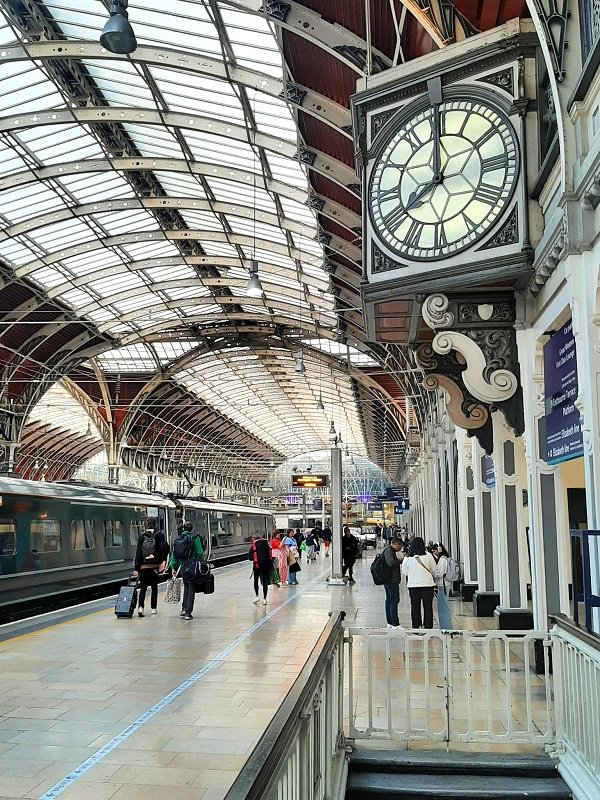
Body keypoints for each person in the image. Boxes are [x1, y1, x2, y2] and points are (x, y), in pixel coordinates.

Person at [133, 517, 169, 617]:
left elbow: (138, 553)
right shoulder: (159, 534)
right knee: (154, 587)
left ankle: (141, 607)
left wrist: (137, 568)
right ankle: (153, 608)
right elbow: (163, 548)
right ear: (155, 524)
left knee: (143, 588)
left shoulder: (141, 536)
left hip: (143, 567)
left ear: (147, 524)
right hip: (154, 566)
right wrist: (162, 561)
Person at [169, 521, 203, 620]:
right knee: (191, 588)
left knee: (186, 587)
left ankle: (183, 609)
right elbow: (200, 552)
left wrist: (173, 567)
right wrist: (201, 563)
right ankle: (188, 612)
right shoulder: (194, 538)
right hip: (192, 566)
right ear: (192, 529)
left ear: (183, 528)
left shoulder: (178, 538)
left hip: (182, 567)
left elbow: (174, 554)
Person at [402, 536, 437, 628]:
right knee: (428, 607)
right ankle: (428, 626)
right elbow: (434, 569)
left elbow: (404, 572)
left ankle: (416, 626)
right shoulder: (428, 555)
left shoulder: (407, 557)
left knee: (415, 607)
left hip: (413, 585)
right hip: (428, 585)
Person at [382, 537, 404, 627]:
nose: (400, 548)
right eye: (400, 546)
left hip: (389, 579)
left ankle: (390, 622)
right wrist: (401, 561)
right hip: (390, 580)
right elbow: (390, 563)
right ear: (396, 544)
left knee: (390, 600)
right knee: (394, 600)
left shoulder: (391, 551)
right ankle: (395, 623)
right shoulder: (389, 551)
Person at [432, 542, 453, 629]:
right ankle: (444, 625)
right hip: (443, 584)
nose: (434, 552)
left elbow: (440, 573)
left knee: (443, 606)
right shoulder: (444, 559)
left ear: (439, 550)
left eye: (434, 550)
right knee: (442, 606)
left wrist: (432, 573)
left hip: (442, 585)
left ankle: (446, 626)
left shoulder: (442, 560)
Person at [249, 533, 272, 605]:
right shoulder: (266, 544)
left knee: (256, 581)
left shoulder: (253, 546)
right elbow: (271, 556)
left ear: (254, 539)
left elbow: (250, 558)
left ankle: (257, 596)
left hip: (257, 566)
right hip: (266, 566)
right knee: (265, 582)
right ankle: (264, 599)